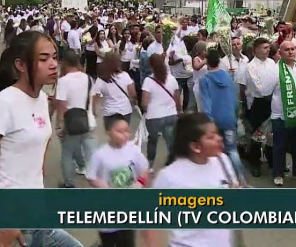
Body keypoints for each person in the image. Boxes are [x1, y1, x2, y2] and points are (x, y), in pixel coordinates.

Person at [0, 31, 83, 247]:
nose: (52, 65)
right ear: (21, 65)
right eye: (43, 59)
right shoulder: (3, 104)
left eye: (54, 57)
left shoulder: (41, 99)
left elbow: (36, 152)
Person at [143, 113, 239, 247]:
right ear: (195, 147)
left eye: (217, 133)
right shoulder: (169, 176)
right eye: (211, 137)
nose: (219, 138)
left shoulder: (222, 160)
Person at [86, 114, 149, 247]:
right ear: (109, 133)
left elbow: (145, 169)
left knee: (127, 241)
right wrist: (103, 186)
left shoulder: (134, 151)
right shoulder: (100, 154)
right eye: (119, 131)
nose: (125, 135)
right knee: (108, 240)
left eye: (127, 130)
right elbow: (91, 176)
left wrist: (140, 183)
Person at [55, 49, 98, 188]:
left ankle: (69, 184)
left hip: (71, 124)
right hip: (88, 121)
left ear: (64, 63)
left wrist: (60, 124)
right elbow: (93, 98)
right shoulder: (88, 78)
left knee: (68, 154)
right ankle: (97, 182)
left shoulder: (63, 81)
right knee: (92, 154)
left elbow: (61, 105)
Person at [200, 49, 245, 182]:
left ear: (207, 62)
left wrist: (208, 121)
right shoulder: (227, 76)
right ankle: (241, 180)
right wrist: (236, 115)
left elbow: (206, 103)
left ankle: (219, 179)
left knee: (215, 151)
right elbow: (235, 98)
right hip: (229, 118)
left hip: (214, 120)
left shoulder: (205, 80)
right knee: (232, 150)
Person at [237, 37, 278, 177]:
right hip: (258, 103)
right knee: (256, 135)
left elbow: (277, 80)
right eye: (264, 48)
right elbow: (259, 88)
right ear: (255, 50)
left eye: (268, 47)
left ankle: (273, 162)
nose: (268, 50)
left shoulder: (272, 62)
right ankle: (254, 163)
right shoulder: (250, 67)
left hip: (272, 101)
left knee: (271, 134)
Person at [141, 53, 181, 170]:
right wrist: (179, 110)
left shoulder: (148, 81)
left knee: (153, 141)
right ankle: (174, 164)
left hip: (154, 116)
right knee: (170, 141)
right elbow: (177, 98)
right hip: (170, 115)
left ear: (151, 66)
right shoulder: (172, 79)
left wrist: (145, 110)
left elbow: (144, 103)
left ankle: (150, 165)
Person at [93, 51, 137, 124]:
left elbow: (95, 98)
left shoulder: (101, 80)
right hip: (125, 111)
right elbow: (133, 94)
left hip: (110, 112)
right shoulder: (125, 75)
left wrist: (93, 111)